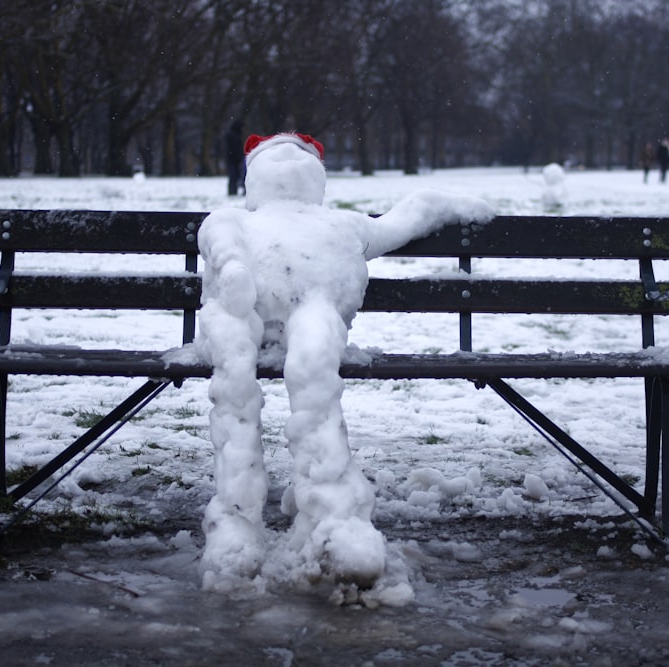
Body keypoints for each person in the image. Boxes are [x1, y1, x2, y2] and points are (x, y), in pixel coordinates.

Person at [194, 132, 493, 591]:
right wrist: (232, 266)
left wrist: (234, 265)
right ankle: (330, 518)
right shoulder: (337, 224)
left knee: (258, 384)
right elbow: (405, 219)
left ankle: (254, 526)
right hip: (257, 316)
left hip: (266, 314)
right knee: (308, 372)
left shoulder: (261, 220)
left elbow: (220, 240)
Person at [224, 119, 245, 196]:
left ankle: (232, 192)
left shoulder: (232, 134)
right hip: (233, 159)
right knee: (234, 176)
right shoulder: (234, 135)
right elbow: (235, 148)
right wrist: (240, 157)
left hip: (232, 159)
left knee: (234, 177)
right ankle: (232, 192)